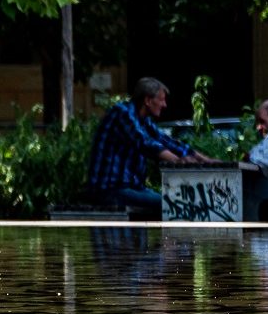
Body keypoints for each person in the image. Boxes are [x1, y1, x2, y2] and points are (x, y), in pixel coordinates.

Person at [85, 76, 218, 216]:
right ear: (148, 100)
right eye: (161, 99)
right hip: (110, 190)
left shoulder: (144, 121)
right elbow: (146, 143)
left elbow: (168, 142)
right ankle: (169, 238)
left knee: (176, 201)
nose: (164, 105)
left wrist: (206, 160)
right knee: (173, 204)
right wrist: (179, 162)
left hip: (132, 189)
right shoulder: (122, 113)